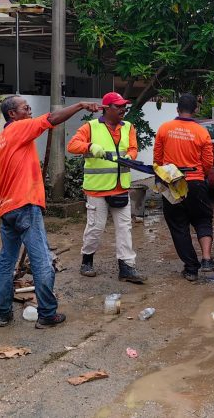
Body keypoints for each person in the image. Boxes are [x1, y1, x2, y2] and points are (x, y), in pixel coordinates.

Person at [0, 97, 100, 329]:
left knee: (6, 263)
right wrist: (80, 105)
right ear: (12, 114)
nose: (29, 110)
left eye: (30, 107)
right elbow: (52, 119)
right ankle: (47, 314)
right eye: (25, 108)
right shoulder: (19, 128)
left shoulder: (0, 139)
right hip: (25, 206)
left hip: (7, 208)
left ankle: (2, 313)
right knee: (42, 260)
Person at [67, 92, 146, 284]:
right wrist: (90, 146)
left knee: (125, 228)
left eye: (124, 106)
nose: (123, 110)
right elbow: (72, 145)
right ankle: (87, 260)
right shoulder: (91, 127)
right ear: (107, 108)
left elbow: (133, 148)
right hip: (97, 189)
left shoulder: (128, 127)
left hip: (121, 187)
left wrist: (131, 156)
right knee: (95, 228)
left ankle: (127, 267)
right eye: (118, 106)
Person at [153, 93, 214, 281]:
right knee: (203, 219)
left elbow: (157, 159)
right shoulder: (202, 132)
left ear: (177, 109)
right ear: (195, 109)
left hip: (172, 183)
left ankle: (191, 269)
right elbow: (207, 162)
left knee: (179, 225)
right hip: (195, 181)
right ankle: (206, 259)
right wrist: (200, 177)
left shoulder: (164, 129)